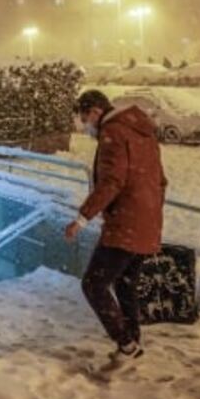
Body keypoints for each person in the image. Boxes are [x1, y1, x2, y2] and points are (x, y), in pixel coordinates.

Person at [65, 89, 167, 369]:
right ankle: (132, 344)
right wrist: (150, 213)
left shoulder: (113, 133)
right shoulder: (141, 131)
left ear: (95, 112)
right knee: (125, 283)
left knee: (93, 284)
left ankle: (126, 344)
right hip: (147, 221)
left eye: (85, 118)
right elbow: (161, 180)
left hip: (126, 223)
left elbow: (112, 181)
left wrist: (82, 218)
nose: (86, 126)